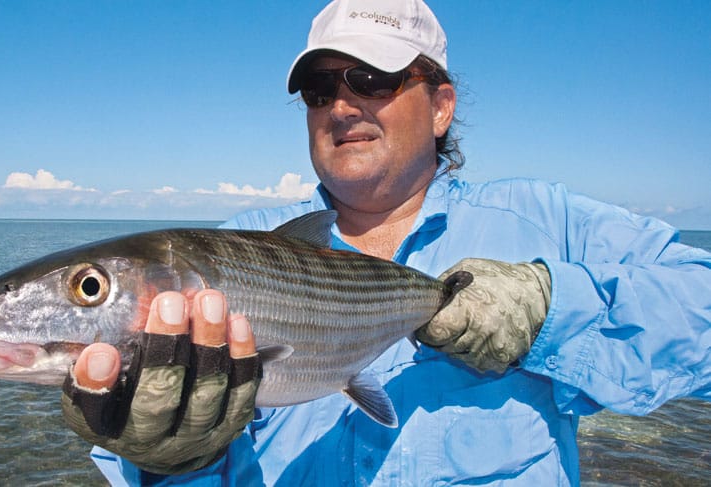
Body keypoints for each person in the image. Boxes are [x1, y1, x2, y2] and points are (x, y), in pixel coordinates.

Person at [61, 0, 711, 485]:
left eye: (371, 79)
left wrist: (552, 307)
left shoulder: (545, 221)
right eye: (320, 90)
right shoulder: (232, 250)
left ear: (441, 104)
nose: (341, 107)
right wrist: (173, 458)